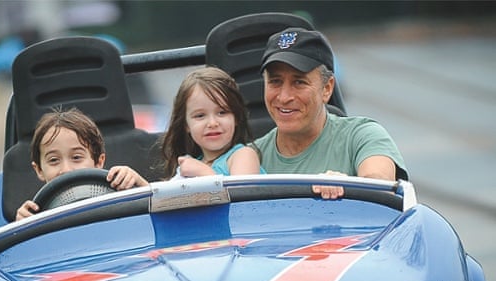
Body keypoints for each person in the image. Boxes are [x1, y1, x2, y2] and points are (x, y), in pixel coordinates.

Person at [254, 27, 407, 199]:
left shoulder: (362, 136)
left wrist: (350, 186)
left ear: (327, 88)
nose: (284, 97)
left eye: (299, 82)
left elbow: (380, 186)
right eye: (275, 82)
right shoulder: (250, 157)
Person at [16, 107, 148, 220]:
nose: (66, 170)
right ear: (39, 170)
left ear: (98, 161)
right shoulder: (35, 215)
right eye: (54, 160)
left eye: (76, 157)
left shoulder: (120, 197)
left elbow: (157, 213)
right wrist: (22, 224)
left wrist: (140, 186)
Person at [161, 66, 264, 179]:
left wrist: (204, 172)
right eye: (200, 116)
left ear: (236, 117)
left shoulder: (243, 155)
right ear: (186, 125)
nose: (212, 123)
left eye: (222, 112)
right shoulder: (190, 165)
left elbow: (243, 194)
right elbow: (168, 196)